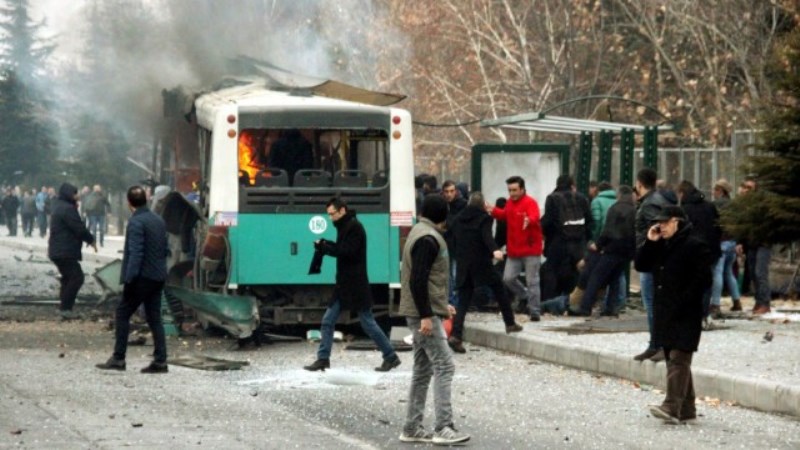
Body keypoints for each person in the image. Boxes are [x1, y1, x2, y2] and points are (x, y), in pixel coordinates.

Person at [398, 194, 469, 445]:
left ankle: (412, 426)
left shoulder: (419, 232)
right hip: (421, 315)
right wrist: (427, 315)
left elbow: (425, 280)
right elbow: (418, 280)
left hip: (418, 311)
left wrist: (440, 305)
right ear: (444, 215)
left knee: (422, 369)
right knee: (445, 365)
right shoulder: (429, 239)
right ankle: (443, 427)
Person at [635, 205, 714, 424]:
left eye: (664, 222)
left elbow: (704, 280)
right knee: (674, 356)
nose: (660, 226)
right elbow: (641, 265)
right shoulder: (662, 244)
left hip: (686, 311)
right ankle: (687, 408)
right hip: (666, 311)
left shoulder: (695, 244)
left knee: (679, 357)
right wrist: (650, 242)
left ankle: (671, 406)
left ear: (676, 222)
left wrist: (685, 300)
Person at [304, 197, 401, 372]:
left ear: (342, 211)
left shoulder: (354, 227)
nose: (330, 218)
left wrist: (325, 248)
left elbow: (347, 252)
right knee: (328, 321)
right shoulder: (346, 226)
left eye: (332, 214)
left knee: (367, 322)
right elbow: (343, 248)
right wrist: (326, 244)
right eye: (329, 215)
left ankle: (391, 356)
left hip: (355, 285)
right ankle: (323, 358)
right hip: (345, 284)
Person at [96, 186, 169, 373]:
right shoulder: (158, 220)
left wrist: (129, 279)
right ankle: (161, 361)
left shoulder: (136, 223)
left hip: (141, 278)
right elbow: (164, 249)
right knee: (155, 318)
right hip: (158, 276)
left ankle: (118, 358)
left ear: (129, 203)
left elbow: (136, 253)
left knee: (122, 313)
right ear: (146, 199)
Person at [448, 191, 522, 353]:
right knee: (499, 289)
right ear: (482, 204)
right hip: (481, 263)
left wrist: (458, 255)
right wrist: (495, 250)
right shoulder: (484, 218)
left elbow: (451, 240)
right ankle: (510, 323)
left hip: (463, 264)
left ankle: (455, 335)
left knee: (463, 301)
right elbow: (486, 236)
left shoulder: (458, 219)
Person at [568, 186, 636, 316]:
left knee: (596, 276)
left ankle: (585, 307)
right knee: (615, 278)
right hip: (626, 251)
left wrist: (599, 245)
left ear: (619, 195)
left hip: (612, 248)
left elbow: (608, 231)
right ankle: (611, 308)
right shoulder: (633, 210)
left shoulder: (615, 208)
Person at [633, 168, 674, 362]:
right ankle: (655, 344)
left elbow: (657, 231)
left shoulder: (650, 204)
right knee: (653, 304)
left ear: (639, 184)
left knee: (652, 304)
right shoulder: (658, 200)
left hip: (651, 260)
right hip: (654, 259)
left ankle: (657, 345)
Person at [490, 176, 543, 321]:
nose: (512, 193)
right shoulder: (509, 203)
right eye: (510, 190)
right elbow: (504, 215)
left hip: (530, 249)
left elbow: (535, 216)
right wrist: (492, 210)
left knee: (533, 280)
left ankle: (535, 312)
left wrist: (529, 220)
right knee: (508, 278)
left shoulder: (530, 202)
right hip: (514, 249)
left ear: (522, 189)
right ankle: (525, 296)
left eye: (514, 190)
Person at [48, 183, 97, 320]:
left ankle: (64, 308)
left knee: (67, 278)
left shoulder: (59, 205)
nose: (77, 196)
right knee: (77, 277)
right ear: (69, 194)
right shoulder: (67, 209)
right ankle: (65, 309)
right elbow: (78, 228)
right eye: (75, 193)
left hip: (58, 249)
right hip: (65, 250)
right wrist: (91, 240)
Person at [540, 175, 593, 301]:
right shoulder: (581, 198)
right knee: (575, 273)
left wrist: (547, 237)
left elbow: (547, 222)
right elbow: (589, 221)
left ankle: (549, 302)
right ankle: (573, 302)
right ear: (572, 184)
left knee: (551, 271)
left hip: (558, 242)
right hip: (578, 243)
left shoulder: (552, 198)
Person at [676, 180, 722, 319]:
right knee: (707, 282)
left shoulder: (684, 210)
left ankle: (692, 315)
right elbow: (718, 227)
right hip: (711, 251)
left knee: (690, 283)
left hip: (691, 252)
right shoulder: (710, 206)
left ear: (682, 193)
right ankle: (703, 314)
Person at [735, 176, 772, 315]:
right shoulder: (743, 206)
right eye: (744, 187)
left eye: (749, 188)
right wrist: (740, 242)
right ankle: (759, 301)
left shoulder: (762, 205)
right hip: (751, 243)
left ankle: (765, 302)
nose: (745, 190)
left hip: (763, 242)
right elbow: (742, 225)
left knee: (760, 272)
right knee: (753, 273)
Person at [710, 179, 741, 313]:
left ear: (721, 191)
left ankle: (715, 304)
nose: (713, 193)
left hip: (721, 242)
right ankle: (737, 301)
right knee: (729, 273)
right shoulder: (735, 205)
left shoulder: (715, 205)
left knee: (717, 273)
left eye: (715, 190)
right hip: (733, 242)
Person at [442, 180, 467, 308]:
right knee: (449, 274)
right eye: (446, 192)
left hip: (458, 245)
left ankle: (454, 302)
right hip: (447, 244)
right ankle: (452, 301)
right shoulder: (444, 205)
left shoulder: (462, 205)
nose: (449, 194)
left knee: (454, 274)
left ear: (456, 192)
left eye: (451, 191)